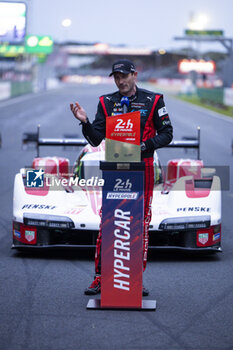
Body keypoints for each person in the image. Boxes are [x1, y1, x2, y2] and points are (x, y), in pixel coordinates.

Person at [70, 59, 173, 296]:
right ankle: (100, 277)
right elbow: (96, 139)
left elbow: (167, 134)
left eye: (124, 76)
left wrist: (144, 145)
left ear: (134, 75)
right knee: (109, 220)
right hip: (115, 168)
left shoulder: (154, 100)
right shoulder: (106, 102)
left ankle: (135, 277)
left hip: (143, 167)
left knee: (140, 222)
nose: (120, 81)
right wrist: (84, 122)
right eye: (116, 77)